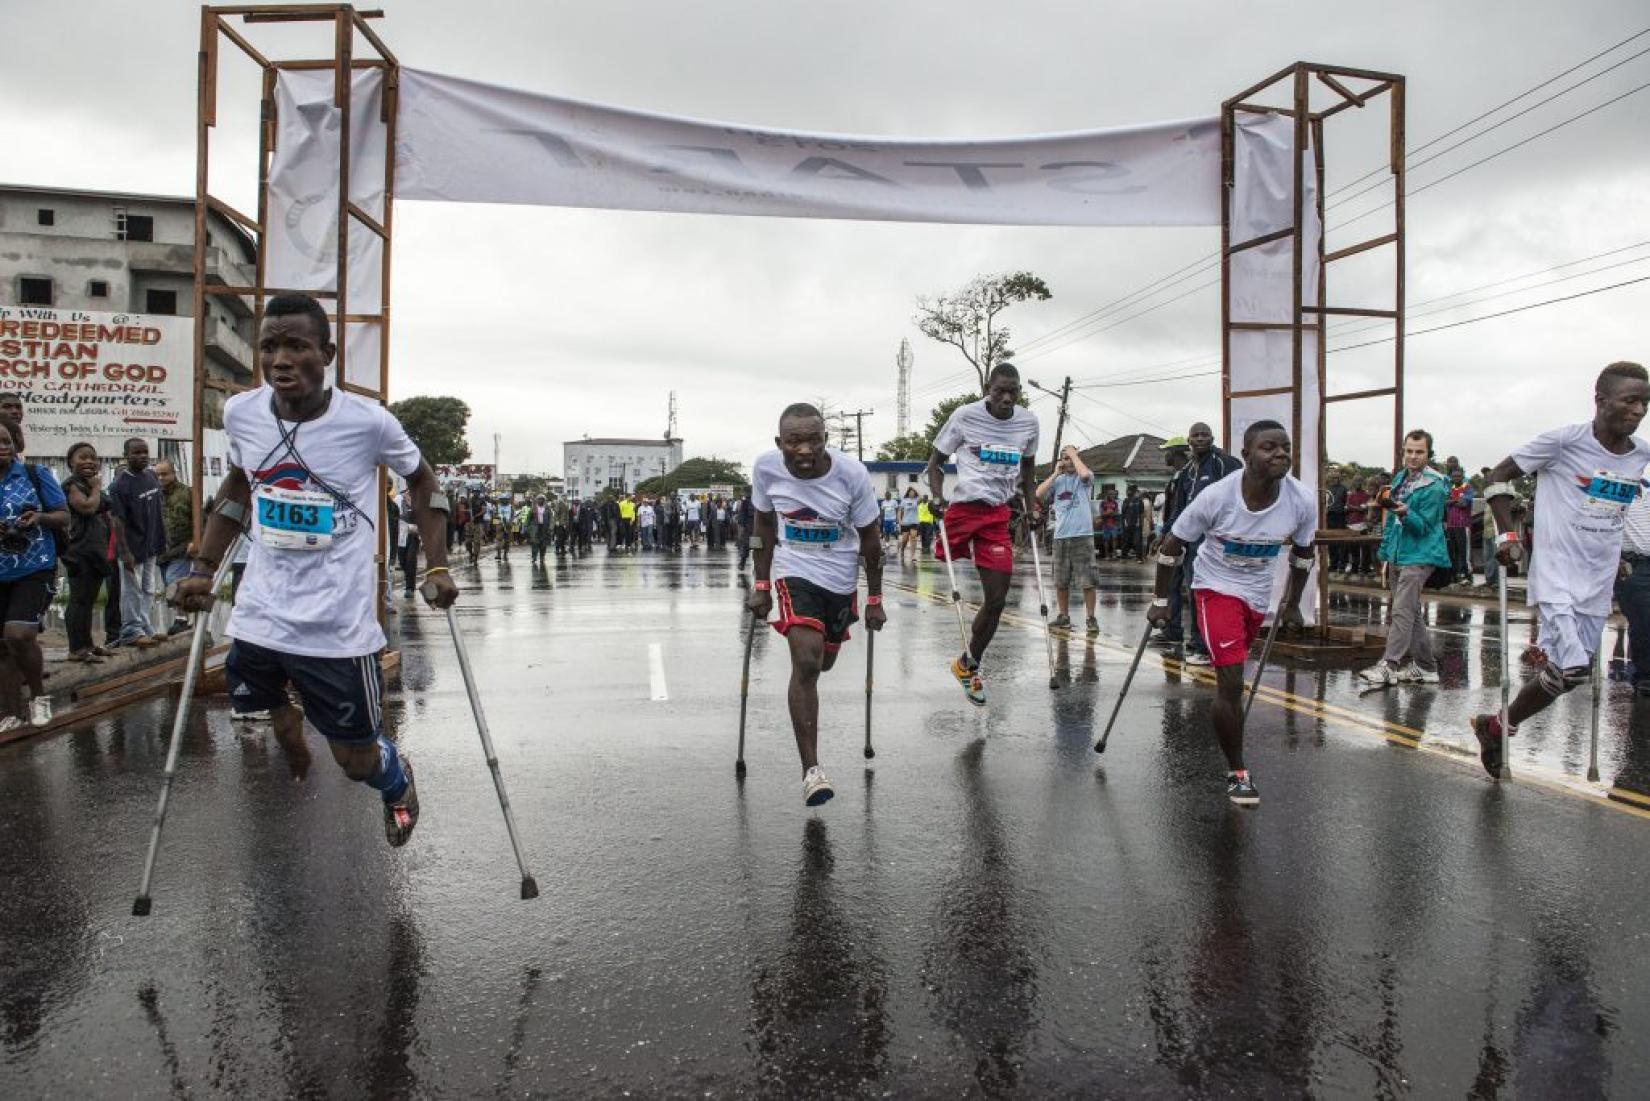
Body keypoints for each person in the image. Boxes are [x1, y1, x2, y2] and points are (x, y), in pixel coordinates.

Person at [170, 293, 458, 847]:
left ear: (326, 355)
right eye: (269, 346)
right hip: (261, 610)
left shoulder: (367, 423)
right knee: (260, 704)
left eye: (296, 347)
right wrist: (203, 566)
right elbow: (238, 485)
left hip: (335, 625)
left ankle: (396, 780)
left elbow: (423, 482)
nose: (280, 359)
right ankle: (286, 722)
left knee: (354, 761)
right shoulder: (242, 413)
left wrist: (437, 564)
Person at [1470, 362, 1650, 777]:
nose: (1639, 410)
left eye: (1645, 402)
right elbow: (1497, 477)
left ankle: (1496, 726)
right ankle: (1500, 726)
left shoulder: (1640, 454)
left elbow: (1612, 511)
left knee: (1564, 676)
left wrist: (1620, 551)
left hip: (1599, 578)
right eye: (1630, 400)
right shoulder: (1563, 442)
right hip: (1557, 573)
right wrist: (1507, 536)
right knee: (1573, 667)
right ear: (1601, 401)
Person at [1146, 420, 1316, 806]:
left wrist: (1292, 606)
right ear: (1246, 456)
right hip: (1214, 587)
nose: (1280, 454)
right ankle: (1238, 771)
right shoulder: (1217, 496)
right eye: (1268, 448)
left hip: (1256, 596)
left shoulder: (1301, 500)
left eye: (1285, 447)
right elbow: (1173, 545)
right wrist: (1160, 600)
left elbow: (1304, 555)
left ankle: (1232, 744)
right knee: (1231, 678)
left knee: (1235, 674)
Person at [747, 403, 885, 806]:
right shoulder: (766, 468)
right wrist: (761, 583)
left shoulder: (852, 475)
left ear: (826, 439)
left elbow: (871, 541)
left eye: (813, 439)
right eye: (794, 441)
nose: (804, 449)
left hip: (840, 576)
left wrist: (875, 598)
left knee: (824, 661)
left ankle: (824, 652)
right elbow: (764, 525)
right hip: (794, 569)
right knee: (805, 661)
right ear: (780, 443)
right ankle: (812, 770)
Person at [927, 362, 1040, 705]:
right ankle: (968, 662)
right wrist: (936, 497)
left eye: (1013, 392)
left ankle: (968, 664)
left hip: (996, 515)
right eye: (999, 391)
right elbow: (935, 463)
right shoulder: (964, 416)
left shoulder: (1028, 422)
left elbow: (1030, 470)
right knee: (951, 574)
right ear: (987, 390)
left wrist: (1032, 507)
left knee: (997, 599)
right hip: (962, 510)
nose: (1006, 398)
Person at [1359, 430, 1450, 686]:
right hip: (1401, 552)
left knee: (1401, 609)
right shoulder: (1401, 478)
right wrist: (1386, 552)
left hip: (1421, 555)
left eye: (1419, 452)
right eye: (1409, 451)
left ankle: (1389, 664)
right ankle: (1426, 667)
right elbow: (1391, 523)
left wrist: (1406, 514)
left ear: (1428, 454)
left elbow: (1424, 527)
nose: (1413, 456)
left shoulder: (1434, 485)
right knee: (1411, 611)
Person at [0, 422, 69, 729]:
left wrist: (39, 517)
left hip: (34, 565)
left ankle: (39, 697)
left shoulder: (34, 474)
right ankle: (12, 713)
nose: (3, 447)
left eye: (6, 441)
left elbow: (63, 514)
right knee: (3, 645)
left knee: (19, 635)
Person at [1163, 421, 1243, 665]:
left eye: (1204, 435)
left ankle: (1212, 645)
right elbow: (1180, 507)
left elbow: (1238, 498)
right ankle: (1198, 643)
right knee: (1195, 589)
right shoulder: (1188, 471)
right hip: (1191, 541)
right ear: (1189, 440)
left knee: (1220, 592)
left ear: (1212, 438)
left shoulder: (1225, 464)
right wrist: (1167, 534)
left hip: (1219, 540)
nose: (1200, 439)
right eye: (1195, 435)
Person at [61, 442, 123, 664]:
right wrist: (96, 487)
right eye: (82, 457)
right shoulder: (73, 485)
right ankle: (76, 648)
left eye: (93, 458)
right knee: (79, 600)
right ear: (71, 463)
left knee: (89, 600)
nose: (89, 461)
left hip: (96, 552)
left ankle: (87, 644)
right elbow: (86, 507)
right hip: (80, 552)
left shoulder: (89, 484)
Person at [109, 437, 166, 648]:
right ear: (126, 455)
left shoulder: (151, 476)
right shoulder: (120, 485)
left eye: (145, 452)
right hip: (133, 547)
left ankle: (145, 626)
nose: (142, 456)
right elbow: (118, 521)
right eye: (136, 453)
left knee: (149, 588)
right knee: (132, 590)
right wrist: (125, 552)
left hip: (151, 544)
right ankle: (131, 630)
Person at [1037, 444, 1099, 637]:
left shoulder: (1085, 477)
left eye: (1072, 458)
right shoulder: (1059, 480)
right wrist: (1056, 472)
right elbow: (1038, 494)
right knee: (1061, 580)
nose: (1069, 461)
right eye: (1065, 458)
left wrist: (1073, 454)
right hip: (1061, 535)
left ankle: (1090, 617)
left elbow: (1085, 476)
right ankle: (1063, 616)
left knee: (1087, 579)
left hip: (1082, 535)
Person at [1616, 462, 1650, 697]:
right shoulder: (1609, 487)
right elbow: (1595, 524)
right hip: (1630, 565)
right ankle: (1644, 676)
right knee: (1643, 621)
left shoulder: (1648, 489)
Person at [153, 459, 194, 635]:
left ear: (173, 473)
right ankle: (185, 617)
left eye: (164, 474)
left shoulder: (187, 493)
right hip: (161, 550)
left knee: (174, 581)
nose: (161, 478)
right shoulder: (154, 495)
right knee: (169, 587)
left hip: (182, 547)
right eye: (158, 475)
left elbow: (200, 519)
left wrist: (196, 541)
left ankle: (182, 619)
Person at [1120, 484, 1145, 561]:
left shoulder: (1140, 501)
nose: (1128, 491)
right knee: (1126, 541)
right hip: (1127, 524)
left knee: (1138, 542)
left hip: (1137, 525)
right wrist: (1124, 524)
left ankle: (1139, 558)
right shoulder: (1126, 500)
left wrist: (1141, 524)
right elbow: (1123, 513)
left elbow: (1141, 513)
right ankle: (1123, 557)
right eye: (1127, 490)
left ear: (1133, 491)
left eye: (1129, 490)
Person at [527, 494, 554, 563]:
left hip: (544, 528)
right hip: (535, 528)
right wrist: (528, 527)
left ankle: (542, 557)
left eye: (542, 499)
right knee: (534, 543)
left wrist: (551, 527)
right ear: (537, 500)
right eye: (539, 499)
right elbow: (529, 518)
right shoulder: (533, 508)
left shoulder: (547, 508)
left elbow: (551, 518)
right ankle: (534, 557)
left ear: (544, 500)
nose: (540, 500)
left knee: (543, 544)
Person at [734, 487, 755, 569]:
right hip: (749, 526)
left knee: (759, 547)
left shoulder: (761, 500)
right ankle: (742, 562)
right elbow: (742, 513)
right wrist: (743, 524)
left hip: (759, 526)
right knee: (745, 545)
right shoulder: (746, 501)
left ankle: (758, 567)